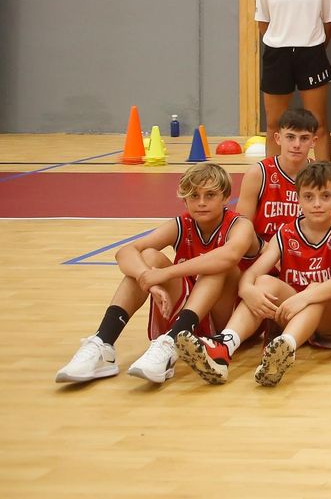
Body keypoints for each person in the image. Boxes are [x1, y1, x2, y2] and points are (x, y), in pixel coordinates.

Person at [55, 163, 255, 385]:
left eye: (210, 195)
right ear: (184, 199)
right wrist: (148, 279)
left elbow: (228, 257)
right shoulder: (181, 224)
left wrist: (165, 274)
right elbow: (125, 252)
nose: (201, 202)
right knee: (148, 257)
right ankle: (104, 343)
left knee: (216, 264)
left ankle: (171, 342)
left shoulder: (240, 224)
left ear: (226, 197)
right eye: (194, 195)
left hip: (225, 319)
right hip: (190, 312)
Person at [176, 162, 331, 386]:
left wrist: (305, 296)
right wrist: (248, 289)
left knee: (315, 291)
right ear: (298, 199)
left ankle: (286, 346)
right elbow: (254, 272)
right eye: (309, 196)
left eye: (325, 196)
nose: (317, 204)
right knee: (264, 281)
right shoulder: (286, 232)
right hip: (296, 313)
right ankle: (224, 346)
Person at [255, 0, 331, 161]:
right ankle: (273, 178)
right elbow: (263, 23)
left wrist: (313, 47)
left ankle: (324, 178)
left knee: (319, 125)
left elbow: (329, 23)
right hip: (277, 55)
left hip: (311, 55)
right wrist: (283, 40)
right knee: (274, 125)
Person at [236, 108, 318, 247]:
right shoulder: (258, 173)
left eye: (304, 138)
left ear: (313, 142)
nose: (297, 145)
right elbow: (240, 227)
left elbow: (330, 227)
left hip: (304, 253)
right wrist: (268, 252)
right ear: (278, 138)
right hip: (262, 250)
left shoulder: (321, 175)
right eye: (290, 137)